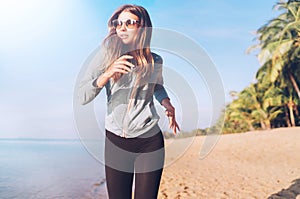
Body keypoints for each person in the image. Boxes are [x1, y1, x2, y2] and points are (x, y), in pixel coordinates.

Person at [78, 4, 180, 199]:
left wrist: (166, 102)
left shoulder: (155, 60)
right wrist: (107, 74)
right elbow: (82, 96)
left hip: (149, 141)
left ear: (142, 28)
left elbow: (157, 86)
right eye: (119, 23)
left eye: (129, 23)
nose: (122, 28)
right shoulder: (106, 56)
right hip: (116, 141)